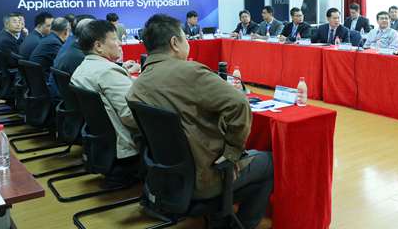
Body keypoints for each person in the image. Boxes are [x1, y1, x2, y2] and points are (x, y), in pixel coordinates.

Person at [127, 14, 272, 229]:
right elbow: (240, 103)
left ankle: (219, 217)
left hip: (166, 178)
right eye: (185, 37)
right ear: (175, 43)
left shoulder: (137, 85)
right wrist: (232, 153)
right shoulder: (190, 72)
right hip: (206, 177)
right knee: (269, 162)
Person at [71, 19, 140, 187]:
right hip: (123, 146)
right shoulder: (108, 72)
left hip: (103, 142)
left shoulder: (82, 68)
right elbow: (130, 116)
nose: (120, 44)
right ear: (98, 46)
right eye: (115, 39)